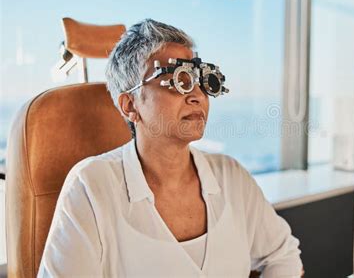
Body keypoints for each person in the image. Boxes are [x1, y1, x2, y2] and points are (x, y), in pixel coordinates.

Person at [38, 19, 303, 277]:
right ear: (130, 105)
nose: (197, 95)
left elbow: (283, 254)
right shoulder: (90, 186)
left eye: (200, 81)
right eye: (180, 80)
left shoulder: (231, 176)